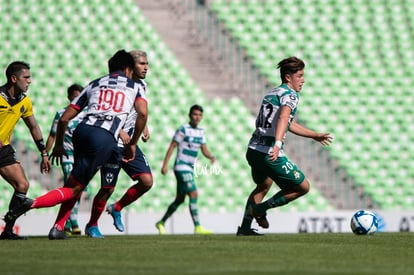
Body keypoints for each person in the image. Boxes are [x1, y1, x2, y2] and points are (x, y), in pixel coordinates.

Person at [3, 49, 148, 240]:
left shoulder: (95, 83)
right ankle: (30, 204)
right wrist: (133, 143)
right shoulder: (135, 85)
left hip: (82, 131)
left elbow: (64, 119)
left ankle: (58, 227)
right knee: (75, 189)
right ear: (128, 68)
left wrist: (59, 145)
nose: (145, 68)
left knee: (78, 183)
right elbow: (143, 113)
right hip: (105, 138)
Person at [236, 56, 333, 236]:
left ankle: (244, 228)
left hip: (253, 150)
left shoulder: (271, 93)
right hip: (269, 151)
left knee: (264, 185)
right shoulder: (291, 95)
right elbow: (282, 119)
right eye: (300, 76)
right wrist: (278, 143)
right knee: (303, 187)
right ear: (288, 77)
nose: (303, 80)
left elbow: (286, 122)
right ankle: (259, 209)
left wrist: (315, 135)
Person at [84, 50, 153, 238]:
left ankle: (117, 207)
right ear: (130, 67)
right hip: (112, 140)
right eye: (141, 64)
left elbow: (139, 111)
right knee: (107, 188)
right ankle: (92, 225)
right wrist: (119, 130)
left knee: (147, 181)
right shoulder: (118, 85)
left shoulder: (142, 85)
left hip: (130, 142)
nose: (146, 67)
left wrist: (143, 126)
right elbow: (106, 110)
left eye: (147, 64)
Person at [0, 61, 52, 240]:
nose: (29, 81)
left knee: (22, 185)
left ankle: (8, 229)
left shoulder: (24, 101)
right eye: (26, 77)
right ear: (14, 79)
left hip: (3, 149)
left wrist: (44, 153)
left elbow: (34, 127)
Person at [155, 104, 215, 235]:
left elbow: (204, 149)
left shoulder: (201, 132)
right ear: (190, 115)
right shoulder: (183, 129)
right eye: (195, 114)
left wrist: (210, 156)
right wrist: (165, 165)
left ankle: (161, 222)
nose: (197, 117)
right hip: (181, 166)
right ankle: (198, 226)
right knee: (194, 194)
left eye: (199, 115)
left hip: (190, 168)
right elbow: (172, 146)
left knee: (180, 199)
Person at [45, 83, 87, 236]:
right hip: (67, 155)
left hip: (82, 157)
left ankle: (69, 221)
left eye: (79, 96)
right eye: (74, 96)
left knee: (78, 189)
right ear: (69, 97)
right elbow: (52, 135)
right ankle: (71, 222)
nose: (76, 99)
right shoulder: (62, 113)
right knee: (71, 185)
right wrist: (45, 154)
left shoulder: (88, 113)